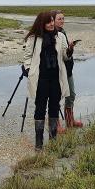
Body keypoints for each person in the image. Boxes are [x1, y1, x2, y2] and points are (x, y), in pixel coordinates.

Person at [23, 11, 70, 150]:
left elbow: (65, 56)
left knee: (55, 108)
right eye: (48, 22)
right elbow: (27, 56)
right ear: (42, 23)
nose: (51, 24)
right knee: (40, 109)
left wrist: (70, 51)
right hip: (41, 80)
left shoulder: (60, 36)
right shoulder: (34, 38)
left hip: (56, 79)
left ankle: (53, 139)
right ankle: (39, 143)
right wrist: (28, 70)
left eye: (51, 21)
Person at [53, 10, 83, 129]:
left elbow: (66, 54)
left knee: (71, 95)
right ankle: (56, 124)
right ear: (53, 20)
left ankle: (70, 121)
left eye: (63, 18)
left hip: (68, 69)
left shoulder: (63, 32)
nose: (62, 21)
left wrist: (70, 48)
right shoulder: (51, 34)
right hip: (58, 71)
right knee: (56, 97)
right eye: (59, 19)